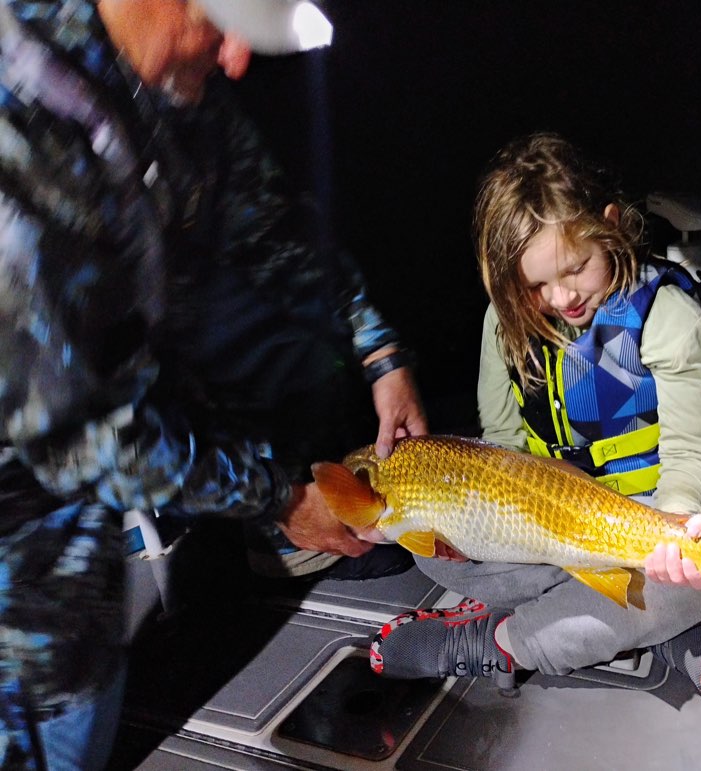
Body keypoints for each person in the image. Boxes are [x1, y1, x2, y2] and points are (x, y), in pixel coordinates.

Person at [0, 0, 426, 767]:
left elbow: (275, 231)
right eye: (222, 27)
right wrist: (277, 497)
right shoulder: (16, 122)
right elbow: (81, 431)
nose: (235, 60)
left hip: (77, 591)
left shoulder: (174, 89)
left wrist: (379, 352)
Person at [369, 132, 701, 702]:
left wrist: (672, 528)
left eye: (576, 267)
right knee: (432, 558)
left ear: (613, 227)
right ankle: (656, 619)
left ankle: (503, 642)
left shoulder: (671, 317)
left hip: (650, 516)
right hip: (550, 527)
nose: (561, 297)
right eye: (535, 284)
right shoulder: (503, 324)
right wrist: (462, 530)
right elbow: (502, 450)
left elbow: (696, 455)